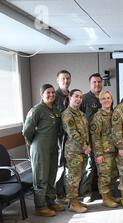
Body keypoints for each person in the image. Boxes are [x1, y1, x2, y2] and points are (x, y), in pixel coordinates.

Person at [22, 84, 64, 217]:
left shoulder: (56, 111)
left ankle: (51, 201)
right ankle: (40, 206)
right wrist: (34, 143)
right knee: (41, 177)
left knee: (52, 175)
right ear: (42, 94)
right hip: (40, 147)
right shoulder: (37, 110)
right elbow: (27, 131)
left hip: (53, 147)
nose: (51, 95)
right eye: (48, 92)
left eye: (53, 92)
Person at [62, 89, 90, 213]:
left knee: (79, 177)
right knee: (73, 177)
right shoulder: (67, 114)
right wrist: (85, 146)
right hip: (73, 151)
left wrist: (87, 145)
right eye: (76, 96)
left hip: (83, 151)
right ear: (70, 97)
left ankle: (75, 200)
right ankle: (73, 203)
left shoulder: (81, 114)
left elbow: (85, 133)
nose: (78, 99)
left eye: (80, 97)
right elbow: (73, 133)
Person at [90, 91, 119, 208]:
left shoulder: (114, 114)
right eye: (103, 99)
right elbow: (95, 137)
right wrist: (98, 154)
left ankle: (110, 195)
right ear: (100, 101)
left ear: (111, 99)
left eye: (108, 98)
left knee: (113, 175)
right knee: (104, 176)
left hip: (114, 150)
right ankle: (105, 198)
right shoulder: (97, 117)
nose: (106, 100)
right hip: (104, 152)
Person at [79, 73, 103, 202]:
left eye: (99, 82)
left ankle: (102, 191)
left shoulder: (105, 97)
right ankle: (86, 193)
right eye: (94, 82)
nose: (97, 84)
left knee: (102, 166)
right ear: (90, 83)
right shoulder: (84, 98)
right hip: (89, 139)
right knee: (89, 166)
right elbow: (80, 120)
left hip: (103, 139)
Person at [53, 70, 71, 203]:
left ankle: (67, 192)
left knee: (70, 166)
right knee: (60, 165)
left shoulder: (72, 95)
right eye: (63, 79)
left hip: (70, 137)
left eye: (68, 78)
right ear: (58, 80)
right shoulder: (53, 96)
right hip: (58, 137)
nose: (66, 81)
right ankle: (59, 194)